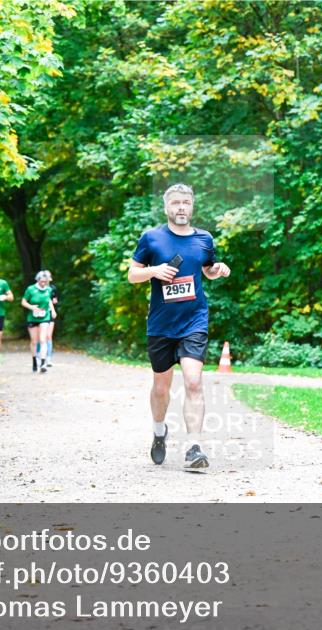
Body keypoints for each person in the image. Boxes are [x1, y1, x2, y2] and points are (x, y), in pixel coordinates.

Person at [127, 184, 231, 470]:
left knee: (194, 381)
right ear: (166, 207)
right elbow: (132, 275)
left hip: (194, 320)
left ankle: (194, 447)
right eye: (176, 203)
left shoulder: (204, 239)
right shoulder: (152, 238)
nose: (181, 208)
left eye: (186, 203)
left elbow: (207, 269)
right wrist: (153, 271)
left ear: (192, 206)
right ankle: (159, 431)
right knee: (162, 387)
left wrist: (218, 270)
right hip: (160, 324)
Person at [22, 270, 57, 373]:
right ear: (37, 280)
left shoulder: (49, 290)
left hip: (44, 317)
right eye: (41, 281)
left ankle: (43, 363)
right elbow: (23, 302)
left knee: (43, 339)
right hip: (32, 318)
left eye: (45, 282)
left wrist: (53, 311)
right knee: (34, 341)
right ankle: (34, 361)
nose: (43, 283)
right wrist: (31, 307)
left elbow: (49, 300)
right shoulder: (30, 289)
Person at [45, 271, 58, 366]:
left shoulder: (53, 288)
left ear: (50, 278)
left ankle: (48, 359)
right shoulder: (36, 289)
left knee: (48, 335)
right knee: (41, 337)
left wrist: (54, 301)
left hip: (50, 313)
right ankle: (39, 356)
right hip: (40, 314)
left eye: (48, 277)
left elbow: (55, 300)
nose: (46, 278)